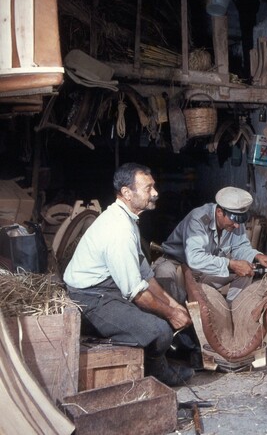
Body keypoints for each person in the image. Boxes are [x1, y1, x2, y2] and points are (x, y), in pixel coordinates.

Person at [63, 162, 194, 386]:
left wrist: (173, 304)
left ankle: (163, 351)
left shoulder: (128, 219)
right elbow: (137, 293)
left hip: (110, 288)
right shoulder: (118, 230)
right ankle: (153, 369)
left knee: (175, 294)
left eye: (154, 187)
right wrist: (171, 315)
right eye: (148, 188)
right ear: (126, 192)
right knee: (159, 331)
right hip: (88, 300)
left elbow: (145, 274)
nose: (155, 193)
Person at [153, 186, 267, 304]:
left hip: (203, 269)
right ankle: (175, 320)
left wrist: (256, 256)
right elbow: (195, 258)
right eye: (234, 219)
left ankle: (232, 309)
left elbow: (240, 247)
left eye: (240, 220)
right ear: (219, 212)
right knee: (164, 273)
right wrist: (231, 264)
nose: (237, 226)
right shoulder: (198, 219)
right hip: (175, 262)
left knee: (246, 271)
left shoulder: (235, 222)